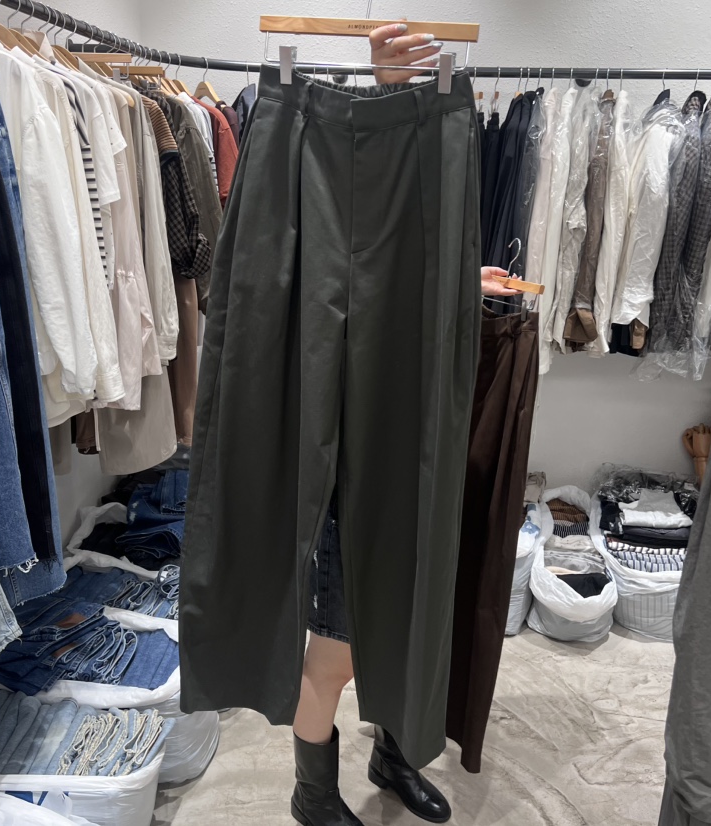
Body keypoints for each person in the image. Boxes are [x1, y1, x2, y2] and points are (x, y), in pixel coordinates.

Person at [289, 24, 522, 826]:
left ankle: (393, 754)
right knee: (336, 653)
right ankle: (312, 796)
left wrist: (461, 285)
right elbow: (362, 197)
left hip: (413, 452)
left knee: (412, 626)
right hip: (350, 466)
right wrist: (387, 92)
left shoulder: (420, 227)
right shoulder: (331, 220)